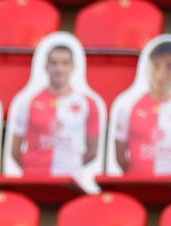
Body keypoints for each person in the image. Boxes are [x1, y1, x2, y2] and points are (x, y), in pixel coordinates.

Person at [9, 45, 101, 177]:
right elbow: (15, 149)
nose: (59, 69)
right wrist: (33, 166)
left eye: (65, 63)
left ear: (73, 67)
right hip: (34, 176)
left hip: (70, 179)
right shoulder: (28, 102)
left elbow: (92, 151)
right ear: (46, 66)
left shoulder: (88, 103)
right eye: (54, 63)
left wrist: (70, 166)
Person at [112, 40, 171, 175]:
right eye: (156, 65)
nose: (161, 73)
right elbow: (120, 154)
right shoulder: (127, 104)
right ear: (148, 67)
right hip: (137, 187)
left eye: (169, 66)